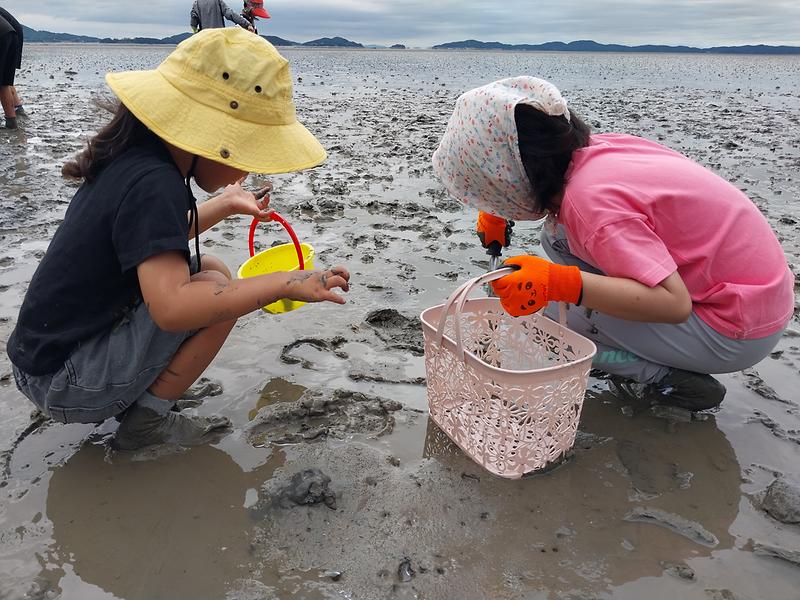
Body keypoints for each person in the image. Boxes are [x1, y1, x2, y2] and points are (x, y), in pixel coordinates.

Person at [6, 28, 350, 451]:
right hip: (65, 383)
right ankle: (144, 425)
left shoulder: (137, 160)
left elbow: (149, 239)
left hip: (44, 363)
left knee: (210, 271)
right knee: (219, 293)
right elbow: (170, 310)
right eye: (244, 155)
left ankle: (144, 393)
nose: (243, 173)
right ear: (213, 136)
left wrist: (223, 205)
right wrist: (285, 283)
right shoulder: (156, 184)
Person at [432, 76, 794, 411]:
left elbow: (674, 304)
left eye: (491, 191)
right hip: (758, 298)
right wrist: (501, 209)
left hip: (732, 329)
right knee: (556, 238)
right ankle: (627, 337)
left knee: (536, 313)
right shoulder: (599, 152)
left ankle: (664, 378)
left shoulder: (590, 205)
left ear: (510, 177)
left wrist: (558, 284)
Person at [0, 6, 23, 129]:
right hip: (12, 34)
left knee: (3, 83)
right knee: (5, 82)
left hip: (3, 35)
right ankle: (12, 120)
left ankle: (12, 120)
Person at [190, 0, 255, 33]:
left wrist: (196, 32)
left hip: (205, 40)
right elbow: (230, 14)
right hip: (219, 39)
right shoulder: (217, 1)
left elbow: (193, 24)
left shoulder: (196, 4)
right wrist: (247, 24)